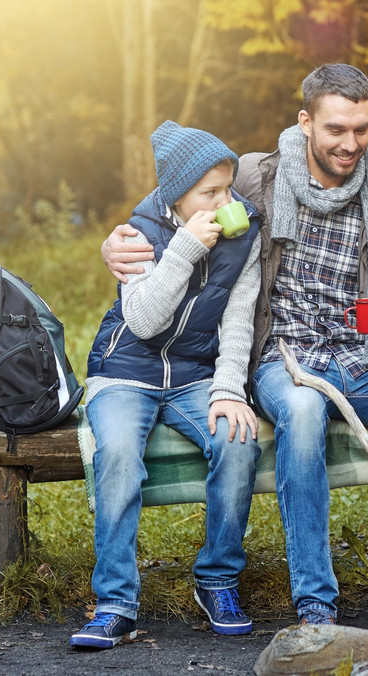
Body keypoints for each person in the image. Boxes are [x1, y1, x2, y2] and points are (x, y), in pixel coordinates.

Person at [102, 64, 368, 625]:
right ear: (305, 122)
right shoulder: (258, 177)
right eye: (335, 129)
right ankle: (315, 604)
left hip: (365, 360)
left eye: (361, 129)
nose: (349, 143)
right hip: (284, 358)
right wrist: (119, 240)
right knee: (302, 411)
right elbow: (179, 191)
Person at [71, 121, 263, 649]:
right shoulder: (138, 234)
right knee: (116, 458)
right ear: (176, 197)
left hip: (195, 375)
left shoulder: (243, 233)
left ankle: (217, 579)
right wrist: (182, 250)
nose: (226, 200)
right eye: (211, 193)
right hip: (124, 372)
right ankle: (116, 603)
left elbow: (239, 319)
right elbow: (144, 321)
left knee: (237, 440)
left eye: (229, 188)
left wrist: (228, 389)